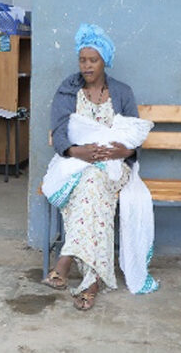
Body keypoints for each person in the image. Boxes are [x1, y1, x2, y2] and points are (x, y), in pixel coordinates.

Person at [39, 23, 157, 310]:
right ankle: (91, 283)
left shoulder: (122, 92)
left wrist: (125, 149)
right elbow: (59, 131)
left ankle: (65, 262)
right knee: (92, 191)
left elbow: (135, 134)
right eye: (83, 60)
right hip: (75, 164)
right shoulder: (68, 90)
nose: (87, 66)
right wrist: (78, 151)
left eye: (93, 60)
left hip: (116, 167)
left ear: (105, 60)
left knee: (93, 186)